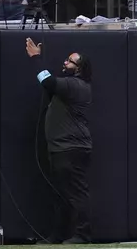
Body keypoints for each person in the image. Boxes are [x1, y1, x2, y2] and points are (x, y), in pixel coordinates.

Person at [25, 38, 93, 244]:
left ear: (79, 69)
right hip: (61, 148)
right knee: (62, 195)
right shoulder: (70, 85)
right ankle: (59, 235)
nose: (65, 63)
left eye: (70, 61)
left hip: (70, 149)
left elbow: (47, 81)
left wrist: (36, 58)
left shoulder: (75, 85)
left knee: (75, 194)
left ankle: (83, 234)